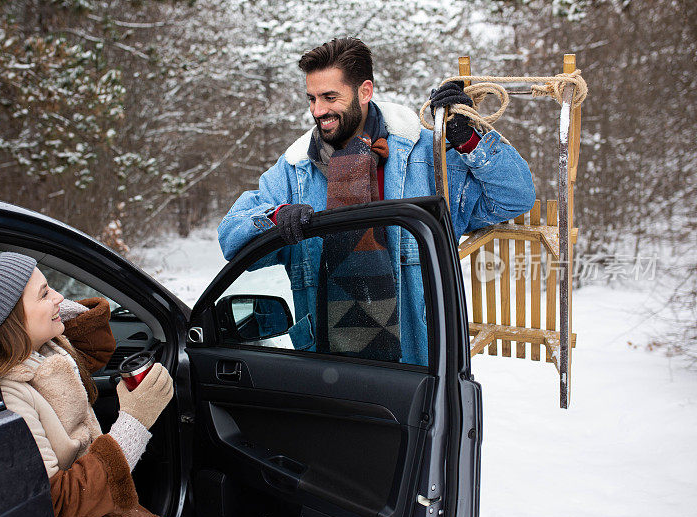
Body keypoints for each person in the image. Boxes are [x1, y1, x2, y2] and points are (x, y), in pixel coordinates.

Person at [217, 37, 536, 365]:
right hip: (326, 370)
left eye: (329, 97)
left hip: (419, 367)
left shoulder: (427, 156)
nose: (318, 110)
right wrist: (274, 218)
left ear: (364, 92)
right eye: (312, 98)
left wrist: (467, 139)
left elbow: (514, 198)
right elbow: (232, 239)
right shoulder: (296, 170)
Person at [0, 252, 184, 517]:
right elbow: (58, 505)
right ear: (11, 317)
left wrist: (48, 312)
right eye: (44, 294)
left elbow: (96, 348)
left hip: (100, 510)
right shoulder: (10, 398)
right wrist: (135, 421)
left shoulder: (44, 349)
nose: (60, 297)